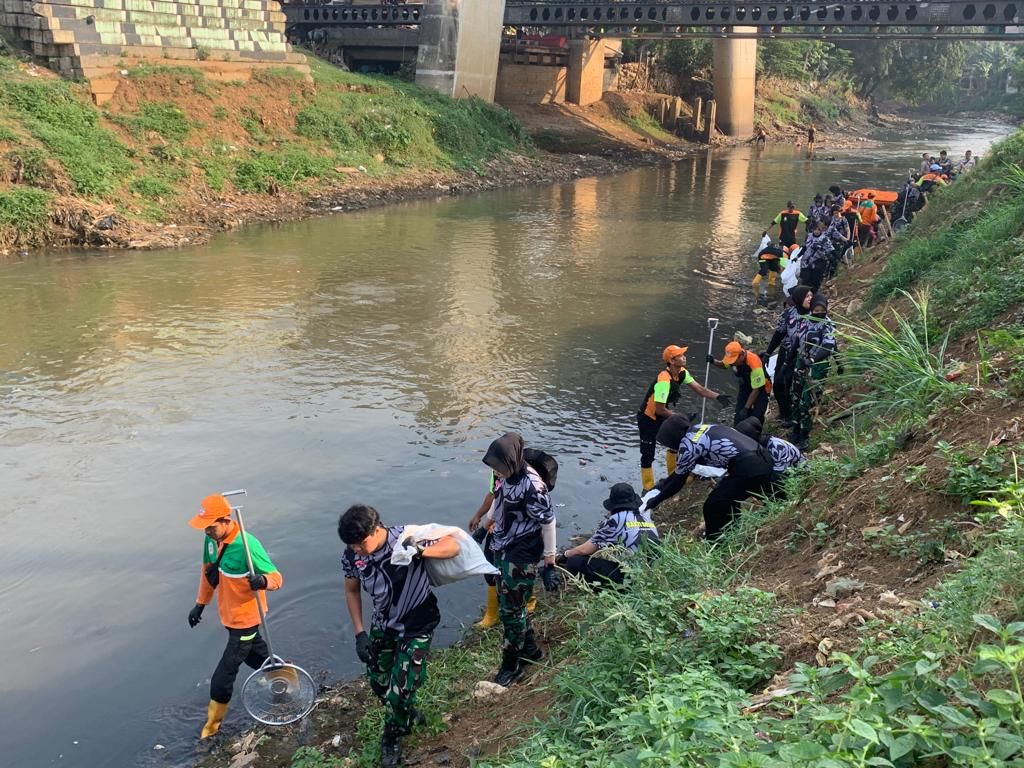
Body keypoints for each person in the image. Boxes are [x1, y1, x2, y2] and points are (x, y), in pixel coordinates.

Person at [339, 504, 460, 768]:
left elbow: (453, 545)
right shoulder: (352, 556)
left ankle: (392, 736)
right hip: (384, 625)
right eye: (351, 546)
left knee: (403, 685)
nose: (356, 550)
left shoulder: (405, 538)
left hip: (418, 623)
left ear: (376, 530)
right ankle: (406, 712)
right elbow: (351, 591)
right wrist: (360, 633)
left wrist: (421, 551)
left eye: (359, 544)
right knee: (379, 682)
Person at [187, 494, 283, 740]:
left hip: (247, 618)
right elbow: (207, 574)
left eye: (212, 526)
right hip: (228, 616)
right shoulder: (211, 542)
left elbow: (276, 578)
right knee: (258, 657)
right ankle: (290, 686)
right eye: (204, 527)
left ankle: (210, 730)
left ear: (226, 520)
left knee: (224, 673)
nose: (207, 531)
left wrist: (262, 581)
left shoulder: (247, 546)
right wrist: (200, 605)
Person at [483, 433, 556, 686]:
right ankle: (531, 650)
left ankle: (511, 666)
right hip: (504, 545)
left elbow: (548, 522)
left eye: (498, 466)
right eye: (494, 467)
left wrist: (549, 562)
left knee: (511, 612)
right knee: (510, 603)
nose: (496, 471)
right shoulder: (507, 476)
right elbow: (499, 501)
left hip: (523, 552)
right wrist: (484, 528)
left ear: (511, 460)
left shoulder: (532, 487)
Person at [643, 414, 772, 540]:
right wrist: (661, 485)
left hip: (748, 467)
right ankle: (733, 532)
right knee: (727, 500)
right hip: (762, 457)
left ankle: (717, 543)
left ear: (673, 438)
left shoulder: (688, 444)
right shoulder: (702, 428)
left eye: (669, 444)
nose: (671, 448)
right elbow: (679, 473)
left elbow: (678, 482)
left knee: (713, 506)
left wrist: (655, 501)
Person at [637, 345, 732, 492]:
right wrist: (679, 418)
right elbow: (659, 409)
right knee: (648, 451)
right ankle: (648, 486)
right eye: (680, 355)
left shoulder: (681, 373)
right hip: (648, 417)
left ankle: (674, 474)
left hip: (664, 413)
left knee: (676, 442)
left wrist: (717, 396)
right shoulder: (663, 380)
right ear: (672, 360)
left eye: (683, 354)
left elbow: (699, 389)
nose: (684, 357)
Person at [557, 483, 659, 586]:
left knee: (575, 562)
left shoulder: (615, 520)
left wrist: (564, 556)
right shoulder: (646, 519)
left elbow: (584, 550)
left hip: (634, 578)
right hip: (656, 574)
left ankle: (608, 589)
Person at [790, 294, 839, 449]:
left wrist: (813, 360)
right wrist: (788, 361)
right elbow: (798, 340)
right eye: (816, 310)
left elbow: (830, 346)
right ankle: (795, 427)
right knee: (796, 396)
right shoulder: (804, 320)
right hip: (801, 362)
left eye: (822, 310)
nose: (818, 312)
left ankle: (805, 434)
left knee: (808, 400)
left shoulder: (827, 325)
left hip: (817, 366)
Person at [764, 285, 814, 427]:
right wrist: (768, 352)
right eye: (807, 296)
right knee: (779, 383)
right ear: (799, 298)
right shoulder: (788, 314)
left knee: (791, 385)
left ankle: (793, 416)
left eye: (811, 296)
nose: (810, 299)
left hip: (800, 356)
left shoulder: (814, 316)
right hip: (785, 353)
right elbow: (779, 334)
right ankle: (784, 413)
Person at [734, 416, 806, 495]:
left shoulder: (777, 447)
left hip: (802, 477)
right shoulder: (762, 446)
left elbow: (780, 477)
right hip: (787, 475)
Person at [708, 340, 770, 425]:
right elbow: (723, 365)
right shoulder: (734, 360)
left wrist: (746, 408)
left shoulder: (754, 363)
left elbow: (756, 389)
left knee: (756, 417)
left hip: (760, 389)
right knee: (739, 416)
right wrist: (713, 361)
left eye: (734, 361)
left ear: (741, 355)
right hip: (745, 386)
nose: (732, 363)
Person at [798, 220, 832, 292]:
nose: (816, 231)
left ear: (821, 231)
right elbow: (805, 247)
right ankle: (805, 294)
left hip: (819, 262)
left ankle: (814, 293)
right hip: (807, 261)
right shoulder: (809, 236)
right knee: (805, 279)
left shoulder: (824, 238)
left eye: (818, 230)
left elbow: (830, 250)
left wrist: (836, 258)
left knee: (816, 280)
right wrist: (797, 257)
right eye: (815, 229)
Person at [824, 205, 852, 277]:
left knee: (838, 257)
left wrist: (848, 239)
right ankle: (827, 272)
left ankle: (833, 274)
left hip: (840, 241)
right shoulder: (831, 220)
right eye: (835, 213)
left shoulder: (843, 219)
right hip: (831, 240)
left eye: (837, 213)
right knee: (829, 257)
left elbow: (848, 230)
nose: (836, 214)